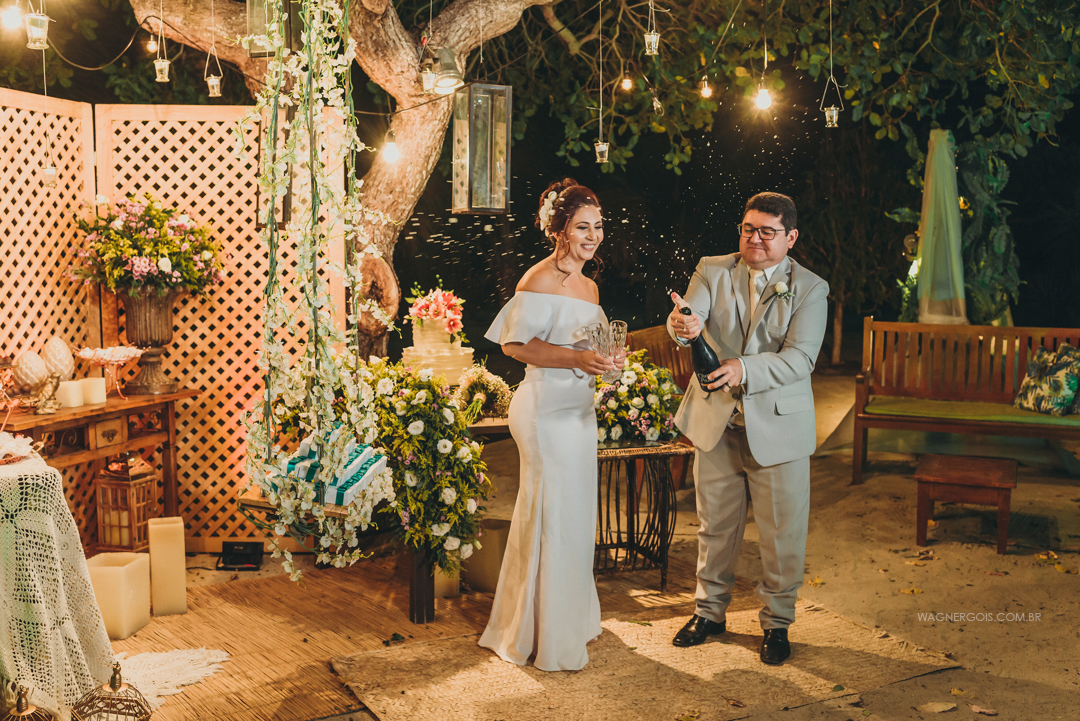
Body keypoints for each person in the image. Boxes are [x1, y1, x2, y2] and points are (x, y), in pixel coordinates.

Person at [667, 192, 828, 665]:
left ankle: (777, 624)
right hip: (717, 423)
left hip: (778, 430)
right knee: (714, 527)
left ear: (790, 237)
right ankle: (709, 613)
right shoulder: (712, 269)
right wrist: (682, 325)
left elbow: (801, 358)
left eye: (767, 232)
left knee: (781, 534)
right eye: (748, 228)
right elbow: (689, 316)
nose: (754, 238)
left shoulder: (810, 288)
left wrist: (743, 368)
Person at [478, 178, 622, 672]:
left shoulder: (591, 287)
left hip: (580, 412)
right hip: (544, 411)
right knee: (552, 516)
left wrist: (607, 360)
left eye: (598, 226)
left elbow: (592, 349)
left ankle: (568, 621)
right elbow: (516, 346)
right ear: (559, 229)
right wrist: (577, 358)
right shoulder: (536, 280)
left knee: (573, 516)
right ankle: (537, 634)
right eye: (582, 227)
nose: (593, 236)